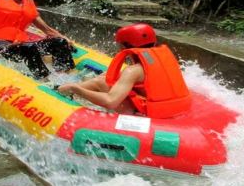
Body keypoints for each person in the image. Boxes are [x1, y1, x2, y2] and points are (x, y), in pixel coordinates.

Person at [58, 23, 191, 118]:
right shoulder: (164, 59)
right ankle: (67, 90)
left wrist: (77, 89)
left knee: (101, 82)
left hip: (149, 116)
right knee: (105, 78)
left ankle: (68, 90)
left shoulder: (133, 71)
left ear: (124, 46)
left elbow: (111, 102)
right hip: (174, 109)